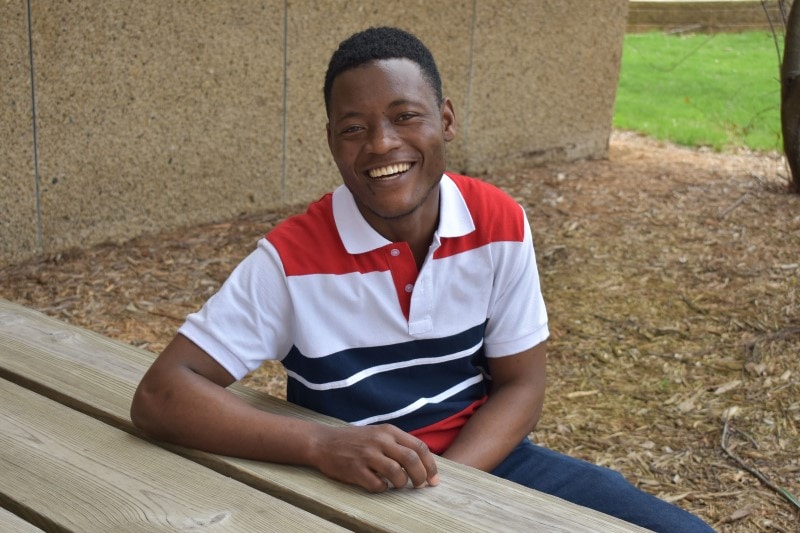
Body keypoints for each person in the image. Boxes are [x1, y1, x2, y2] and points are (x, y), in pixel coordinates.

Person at [131, 26, 713, 532]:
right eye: (354, 128)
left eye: (406, 116)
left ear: (447, 120)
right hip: (347, 482)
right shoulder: (291, 259)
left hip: (483, 462)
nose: (382, 144)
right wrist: (320, 444)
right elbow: (161, 395)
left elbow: (521, 386)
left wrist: (448, 491)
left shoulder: (498, 223)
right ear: (332, 141)